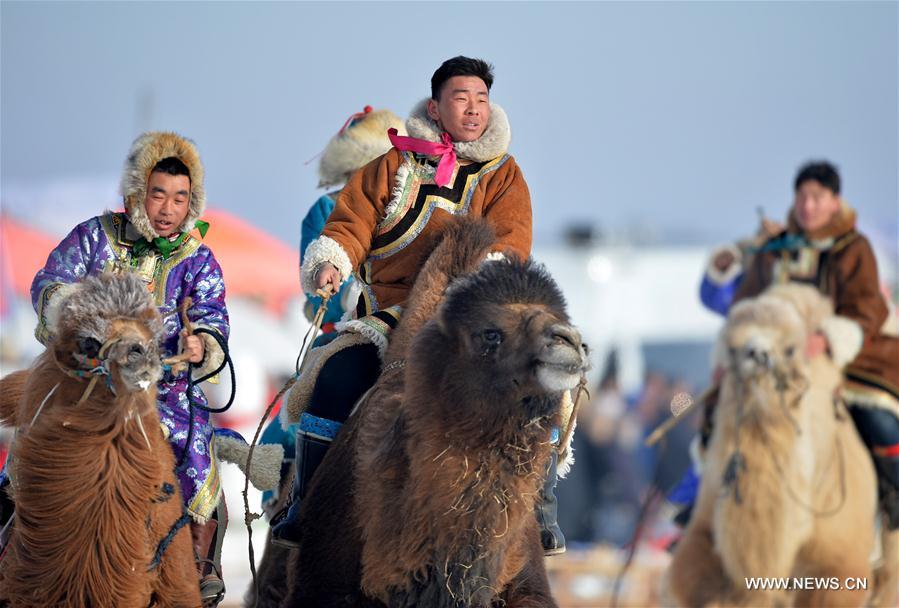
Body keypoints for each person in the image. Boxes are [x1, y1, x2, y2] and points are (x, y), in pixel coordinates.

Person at [271, 56, 568, 554]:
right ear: (435, 105)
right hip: (389, 315)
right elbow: (350, 222)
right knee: (335, 376)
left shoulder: (504, 174)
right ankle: (309, 501)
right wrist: (332, 261)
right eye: (461, 97)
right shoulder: (392, 163)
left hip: (470, 319)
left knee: (541, 377)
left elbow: (512, 242)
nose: (473, 109)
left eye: (481, 98)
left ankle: (539, 503)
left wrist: (481, 291)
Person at [27, 132, 230, 603]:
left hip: (167, 390)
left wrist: (205, 342)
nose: (167, 209)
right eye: (159, 194)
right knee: (34, 444)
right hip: (87, 382)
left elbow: (213, 314)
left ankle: (200, 564)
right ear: (137, 193)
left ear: (191, 203)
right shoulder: (94, 237)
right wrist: (76, 319)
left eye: (181, 199)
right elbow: (51, 282)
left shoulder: (198, 259)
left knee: (197, 453)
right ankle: (13, 525)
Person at [684, 160, 899, 529]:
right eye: (802, 196)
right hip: (773, 360)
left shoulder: (853, 248)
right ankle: (709, 504)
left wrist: (829, 337)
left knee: (880, 424)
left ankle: (889, 494)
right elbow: (743, 306)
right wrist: (729, 354)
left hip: (847, 362)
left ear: (834, 201)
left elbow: (867, 309)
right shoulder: (775, 248)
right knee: (720, 417)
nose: (808, 205)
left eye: (817, 197)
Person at [259, 106, 404, 513]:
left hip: (412, 326)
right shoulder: (326, 211)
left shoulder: (414, 209)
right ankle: (296, 506)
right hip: (348, 332)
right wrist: (349, 294)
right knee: (286, 430)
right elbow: (314, 300)